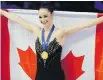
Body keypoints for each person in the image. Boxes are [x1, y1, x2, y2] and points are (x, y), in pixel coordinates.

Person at [1, 1, 103, 80]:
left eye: (45, 16)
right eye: (40, 17)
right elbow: (17, 19)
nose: (42, 19)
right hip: (39, 77)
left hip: (56, 77)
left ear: (52, 15)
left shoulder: (60, 33)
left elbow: (84, 25)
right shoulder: (36, 31)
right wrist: (1, 11)